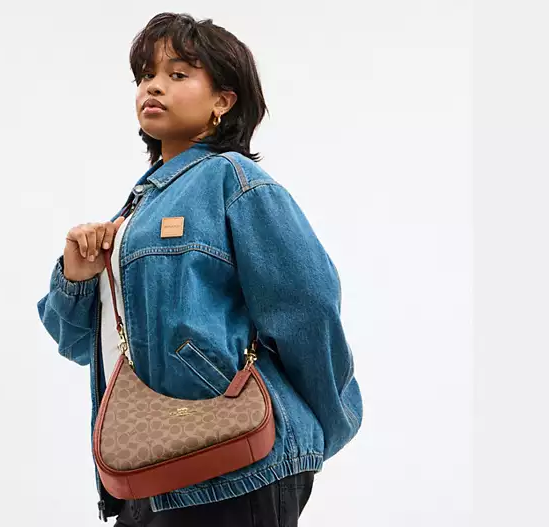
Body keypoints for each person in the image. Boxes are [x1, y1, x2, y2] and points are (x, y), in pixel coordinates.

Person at [37, 12, 363, 526]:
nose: (153, 87)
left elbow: (308, 306)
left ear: (223, 101)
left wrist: (324, 424)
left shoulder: (234, 181)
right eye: (146, 75)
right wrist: (77, 276)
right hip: (151, 466)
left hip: (238, 463)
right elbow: (83, 347)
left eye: (178, 74)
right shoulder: (134, 213)